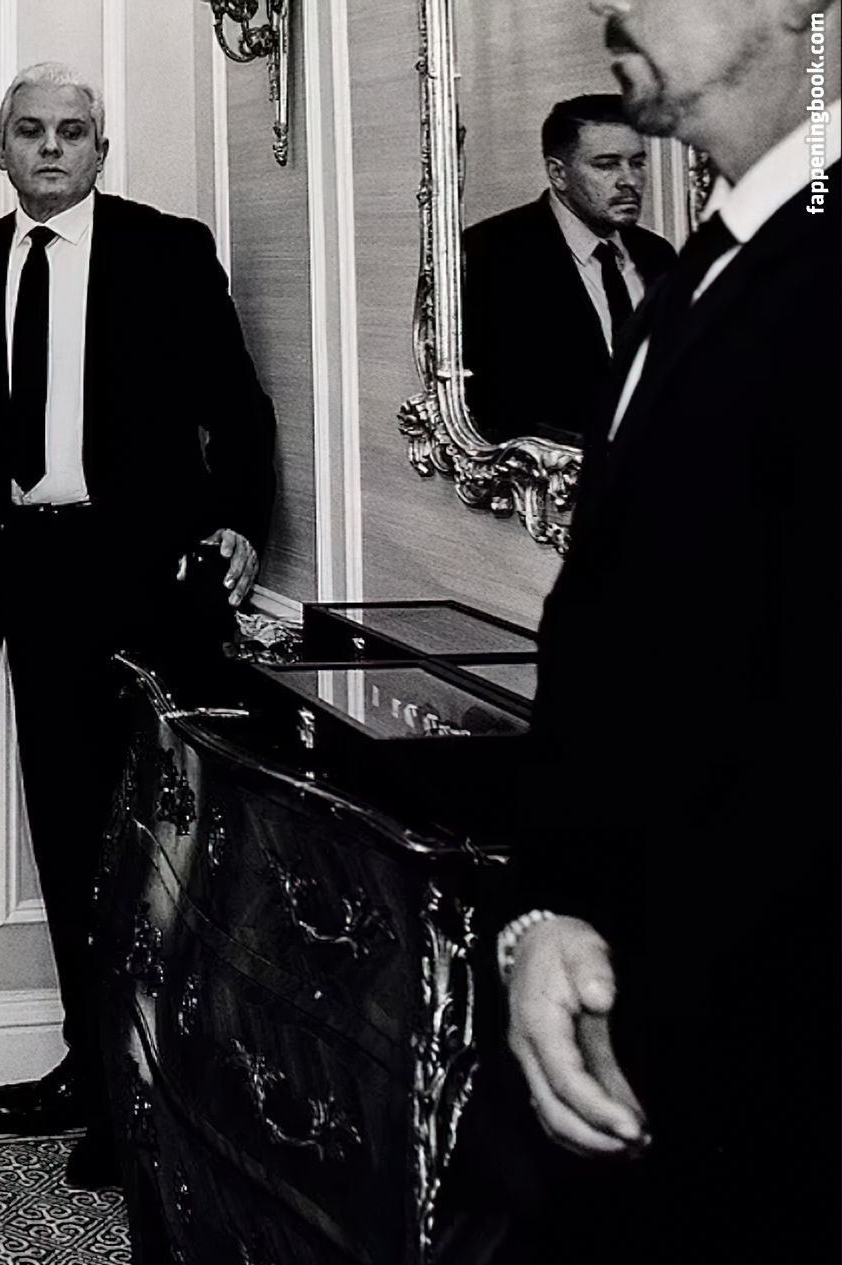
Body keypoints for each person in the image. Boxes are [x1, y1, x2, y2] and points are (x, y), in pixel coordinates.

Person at [475, 0, 839, 1258]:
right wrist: (550, 910)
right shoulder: (709, 260)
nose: (608, 4)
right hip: (653, 1003)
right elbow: (627, 632)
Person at [0, 62, 275, 1189]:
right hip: (35, 585)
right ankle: (96, 1070)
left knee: (158, 851)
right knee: (71, 847)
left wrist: (241, 522)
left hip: (151, 588)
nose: (51, 148)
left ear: (101, 152)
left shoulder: (167, 250)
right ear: (0, 149)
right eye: (30, 131)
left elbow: (239, 407)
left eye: (73, 132)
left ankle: (152, 1091)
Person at [461, 94, 678, 445]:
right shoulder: (488, 254)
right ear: (558, 174)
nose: (630, 180)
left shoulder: (658, 255)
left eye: (637, 163)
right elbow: (486, 404)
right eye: (607, 165)